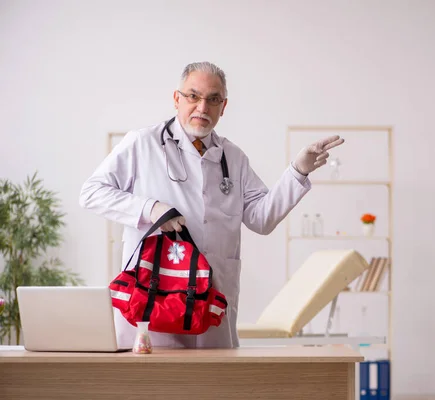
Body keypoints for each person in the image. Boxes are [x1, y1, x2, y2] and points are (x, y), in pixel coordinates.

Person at [79, 61, 344, 349]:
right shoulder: (142, 144)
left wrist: (298, 171)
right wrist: (150, 209)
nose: (202, 107)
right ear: (176, 99)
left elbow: (262, 219)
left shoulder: (233, 157)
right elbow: (92, 192)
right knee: (155, 387)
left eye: (213, 99)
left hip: (211, 299)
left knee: (214, 387)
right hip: (156, 296)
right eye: (193, 96)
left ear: (223, 106)